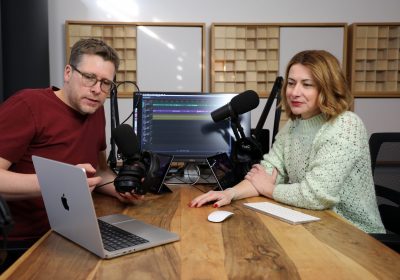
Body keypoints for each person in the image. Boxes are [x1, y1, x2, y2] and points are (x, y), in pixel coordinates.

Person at [190, 50, 385, 234]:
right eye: (291, 83)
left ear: (327, 88)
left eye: (307, 84)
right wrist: (229, 193)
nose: (294, 92)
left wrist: (269, 189)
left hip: (355, 234)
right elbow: (267, 172)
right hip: (316, 223)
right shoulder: (293, 126)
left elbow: (315, 196)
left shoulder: (346, 125)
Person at [0, 38, 141, 267]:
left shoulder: (96, 112)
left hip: (73, 232)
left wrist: (121, 187)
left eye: (106, 83)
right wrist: (61, 181)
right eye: (89, 78)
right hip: (21, 243)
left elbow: (100, 171)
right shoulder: (28, 104)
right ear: (68, 72)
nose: (97, 90)